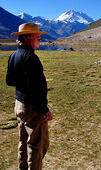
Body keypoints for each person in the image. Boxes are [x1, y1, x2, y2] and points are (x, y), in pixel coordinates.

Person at [6, 23, 53, 170]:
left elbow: (10, 81)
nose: (40, 39)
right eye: (37, 36)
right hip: (33, 108)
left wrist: (24, 82)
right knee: (37, 145)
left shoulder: (14, 55)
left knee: (23, 140)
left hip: (19, 105)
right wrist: (44, 110)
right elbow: (38, 89)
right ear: (27, 38)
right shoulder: (31, 57)